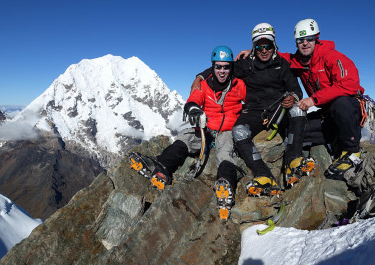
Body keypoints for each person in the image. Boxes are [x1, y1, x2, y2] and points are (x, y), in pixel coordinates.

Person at [192, 23, 314, 195]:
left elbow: (296, 89)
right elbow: (222, 67)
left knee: (298, 109)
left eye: (268, 46)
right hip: (255, 111)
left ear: (274, 45)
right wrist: (199, 77)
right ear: (254, 47)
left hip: (280, 108)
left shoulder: (282, 64)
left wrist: (292, 97)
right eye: (259, 46)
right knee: (239, 131)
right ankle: (263, 175)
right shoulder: (245, 65)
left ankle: (294, 160)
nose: (264, 50)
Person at [128, 46, 246, 220]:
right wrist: (193, 109)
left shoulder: (239, 85)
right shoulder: (204, 85)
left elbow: (254, 99)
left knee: (226, 151)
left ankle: (225, 184)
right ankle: (162, 167)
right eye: (218, 66)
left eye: (226, 67)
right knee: (185, 138)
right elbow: (194, 98)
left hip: (227, 129)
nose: (222, 71)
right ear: (212, 67)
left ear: (231, 67)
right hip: (205, 127)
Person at [279, 19, 365, 179]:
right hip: (328, 116)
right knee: (295, 129)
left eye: (309, 39)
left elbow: (350, 85)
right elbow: (279, 58)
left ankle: (352, 153)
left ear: (316, 38)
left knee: (340, 103)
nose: (305, 43)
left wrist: (313, 99)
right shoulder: (299, 61)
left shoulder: (331, 57)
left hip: (348, 110)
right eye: (300, 40)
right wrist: (254, 52)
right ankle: (335, 140)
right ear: (296, 42)